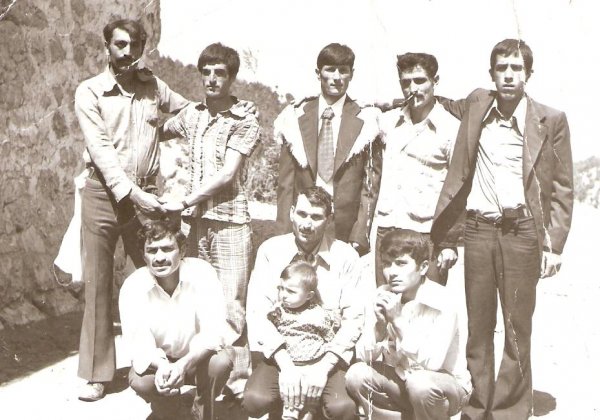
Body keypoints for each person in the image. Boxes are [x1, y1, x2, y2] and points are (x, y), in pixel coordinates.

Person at [432, 39, 574, 420]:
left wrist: (554, 246)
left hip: (522, 232)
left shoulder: (551, 120)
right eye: (501, 68)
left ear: (529, 74)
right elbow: (438, 102)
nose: (509, 75)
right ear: (491, 74)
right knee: (479, 324)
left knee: (516, 324)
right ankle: (479, 406)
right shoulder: (478, 104)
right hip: (478, 230)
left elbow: (563, 187)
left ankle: (510, 410)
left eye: (516, 68)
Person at [73, 18, 189, 401]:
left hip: (146, 196)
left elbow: (188, 114)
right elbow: (102, 153)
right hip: (103, 195)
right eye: (120, 45)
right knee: (99, 283)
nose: (128, 53)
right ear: (107, 46)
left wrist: (165, 130)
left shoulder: (154, 87)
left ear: (142, 48)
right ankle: (97, 374)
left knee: (160, 274)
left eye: (135, 46)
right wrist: (134, 195)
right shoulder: (90, 92)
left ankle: (173, 358)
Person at [161, 43, 261, 396]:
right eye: (206, 72)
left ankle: (235, 384)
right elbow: (158, 128)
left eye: (220, 73)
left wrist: (184, 201)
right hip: (195, 224)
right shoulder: (192, 115)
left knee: (232, 303)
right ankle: (198, 375)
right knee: (198, 299)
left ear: (232, 78)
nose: (212, 79)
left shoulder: (245, 120)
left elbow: (227, 175)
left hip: (230, 222)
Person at [244, 186, 362, 420]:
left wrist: (323, 368)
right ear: (291, 213)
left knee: (342, 408)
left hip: (326, 354)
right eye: (301, 214)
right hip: (283, 351)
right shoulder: (270, 250)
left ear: (329, 220)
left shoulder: (346, 256)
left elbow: (354, 320)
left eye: (316, 217)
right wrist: (287, 367)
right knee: (255, 400)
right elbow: (258, 313)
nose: (307, 224)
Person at [346, 229, 471, 420]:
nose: (392, 272)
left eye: (401, 263)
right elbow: (363, 357)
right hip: (402, 380)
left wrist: (398, 321)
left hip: (444, 386)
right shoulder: (382, 294)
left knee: (420, 384)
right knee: (356, 374)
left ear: (423, 267)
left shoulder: (443, 300)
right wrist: (379, 329)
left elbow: (432, 363)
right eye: (386, 264)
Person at [119, 219, 235, 420]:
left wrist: (182, 365)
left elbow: (214, 332)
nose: (159, 258)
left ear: (182, 251)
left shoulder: (202, 273)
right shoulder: (133, 287)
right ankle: (169, 409)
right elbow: (139, 345)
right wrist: (163, 367)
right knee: (141, 381)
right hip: (161, 362)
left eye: (167, 249)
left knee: (220, 362)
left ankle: (201, 409)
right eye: (152, 251)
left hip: (197, 357)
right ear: (143, 255)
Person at [275, 43, 382, 255]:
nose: (337, 77)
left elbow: (370, 186)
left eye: (343, 70)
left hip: (344, 228)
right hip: (303, 224)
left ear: (352, 74)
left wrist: (360, 234)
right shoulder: (294, 116)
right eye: (330, 70)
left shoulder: (368, 120)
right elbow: (285, 184)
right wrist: (283, 232)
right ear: (318, 73)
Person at [375, 52, 460, 286]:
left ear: (435, 81)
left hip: (427, 235)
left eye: (420, 81)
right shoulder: (387, 123)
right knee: (386, 301)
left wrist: (449, 242)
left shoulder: (451, 129)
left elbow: (459, 189)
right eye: (406, 82)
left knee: (426, 305)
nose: (412, 89)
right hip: (388, 229)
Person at [267, 261, 341, 420]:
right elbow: (269, 331)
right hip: (289, 365)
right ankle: (290, 415)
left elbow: (329, 336)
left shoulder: (318, 314)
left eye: (291, 291)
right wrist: (271, 315)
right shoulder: (279, 311)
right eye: (281, 288)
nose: (283, 295)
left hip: (314, 364)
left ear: (309, 296)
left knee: (309, 400)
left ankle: (309, 413)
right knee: (291, 401)